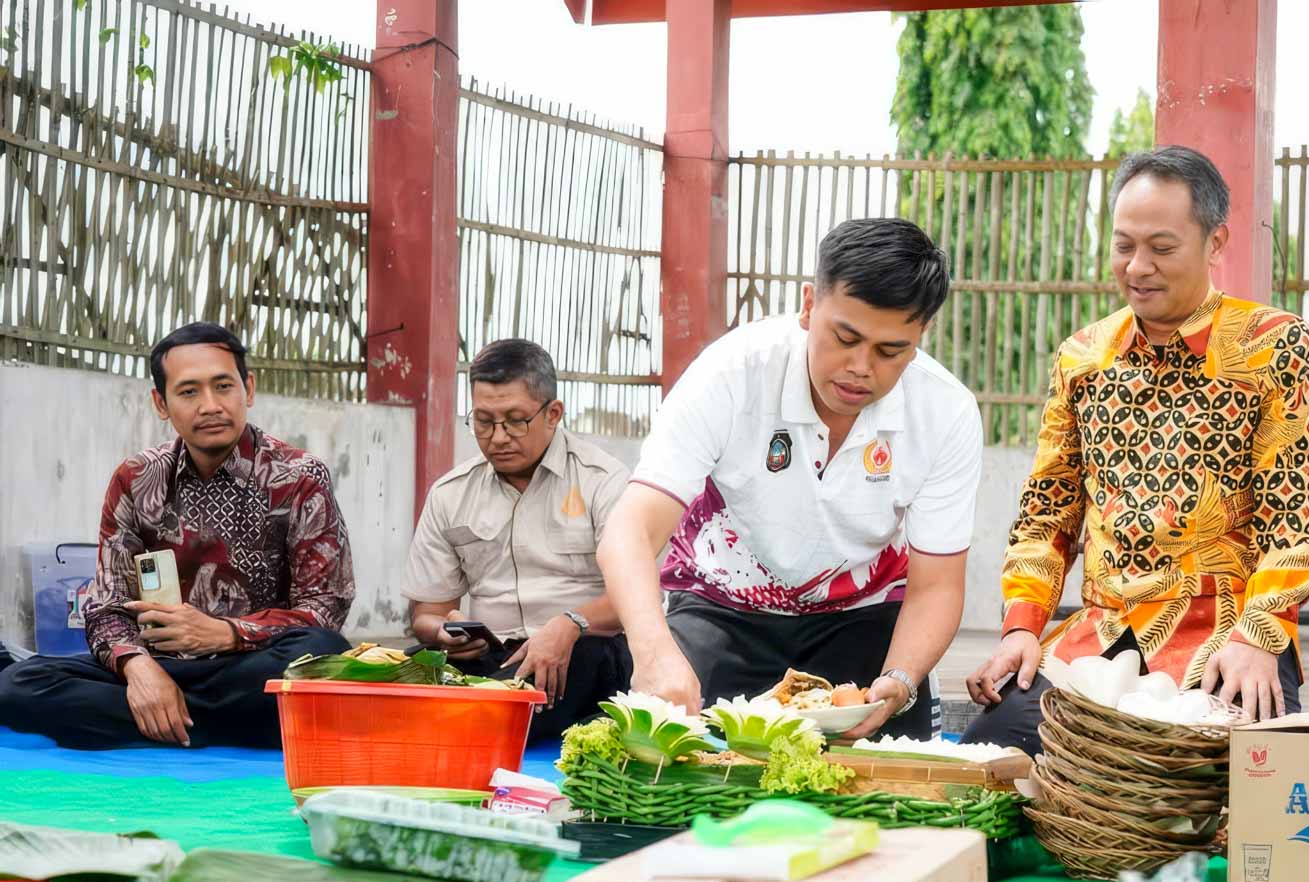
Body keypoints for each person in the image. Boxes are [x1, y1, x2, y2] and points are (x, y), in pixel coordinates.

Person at [961, 146, 1309, 755]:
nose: (1138, 267)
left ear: (1216, 243)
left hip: (1228, 633)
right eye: (1123, 246)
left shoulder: (1274, 346)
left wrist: (1261, 637)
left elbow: (1295, 517)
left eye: (1162, 248)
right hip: (1098, 637)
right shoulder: (1082, 356)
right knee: (995, 762)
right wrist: (1022, 628)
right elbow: (1046, 513)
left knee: (1246, 781)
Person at [600, 217, 979, 740]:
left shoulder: (946, 411)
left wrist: (901, 677)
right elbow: (630, 531)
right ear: (808, 306)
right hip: (723, 607)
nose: (859, 367)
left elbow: (936, 584)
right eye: (844, 337)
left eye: (890, 351)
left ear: (920, 337)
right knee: (680, 762)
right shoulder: (732, 372)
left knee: (891, 781)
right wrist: (653, 651)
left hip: (863, 616)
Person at [0, 322, 353, 748]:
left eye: (223, 386)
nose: (210, 406)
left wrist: (225, 632)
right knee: (19, 683)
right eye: (189, 392)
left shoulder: (298, 477)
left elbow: (324, 609)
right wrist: (138, 668)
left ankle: (168, 721)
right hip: (164, 664)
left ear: (249, 389)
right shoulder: (137, 478)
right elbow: (107, 604)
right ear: (160, 402)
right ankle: (209, 721)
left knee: (323, 650)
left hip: (252, 666)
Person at [401, 338, 633, 736]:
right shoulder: (451, 493)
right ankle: (488, 711)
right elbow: (427, 612)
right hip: (493, 657)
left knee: (571, 668)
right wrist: (443, 632)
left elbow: (634, 597)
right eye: (484, 421)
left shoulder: (604, 482)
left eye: (515, 420)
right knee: (390, 677)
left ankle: (485, 715)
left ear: (553, 413)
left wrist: (569, 623)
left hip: (580, 651)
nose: (499, 437)